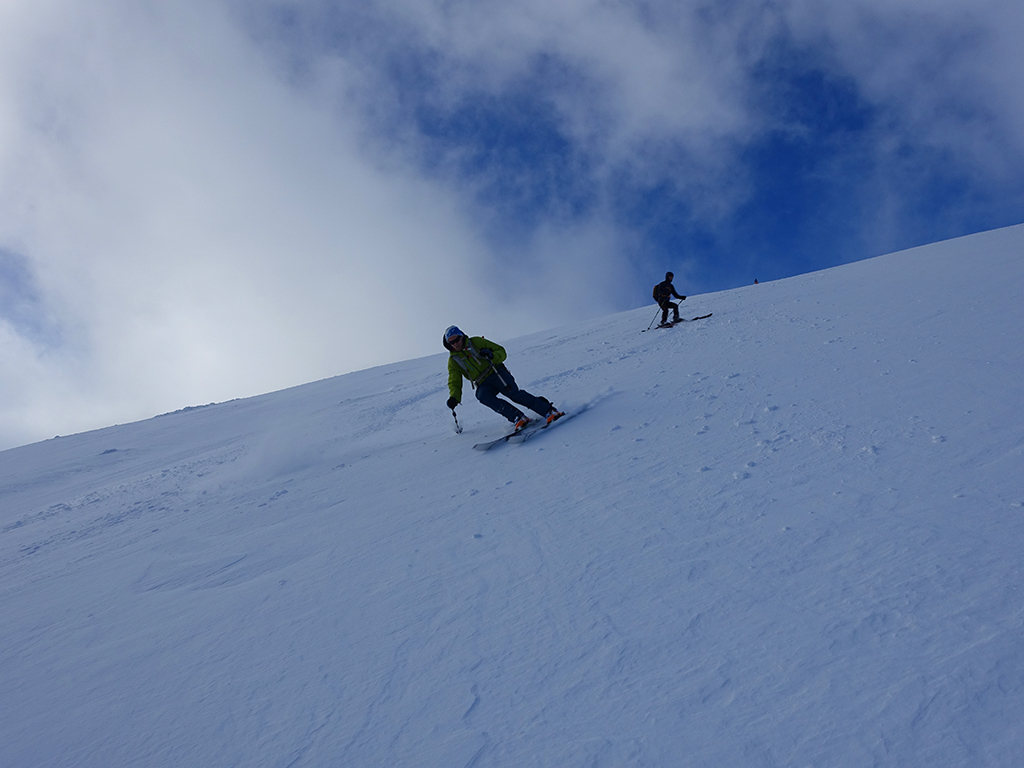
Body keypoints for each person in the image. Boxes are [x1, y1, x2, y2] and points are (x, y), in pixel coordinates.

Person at [443, 326, 563, 432]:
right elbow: (454, 380)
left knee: (514, 394)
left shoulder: (476, 342)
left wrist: (492, 355)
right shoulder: (453, 360)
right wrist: (454, 397)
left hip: (496, 372)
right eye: (451, 342)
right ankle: (518, 418)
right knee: (482, 396)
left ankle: (549, 411)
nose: (455, 344)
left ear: (462, 336)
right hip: (483, 382)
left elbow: (501, 351)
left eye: (457, 339)